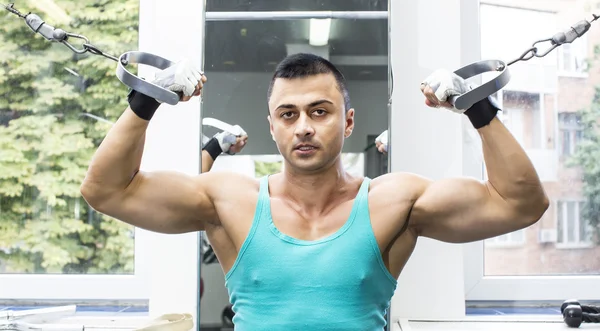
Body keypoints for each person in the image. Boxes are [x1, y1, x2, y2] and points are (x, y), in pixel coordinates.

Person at [80, 53, 549, 330]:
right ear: (272, 126)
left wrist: (478, 108)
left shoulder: (393, 200)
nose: (303, 127)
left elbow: (520, 203)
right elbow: (107, 191)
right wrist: (145, 101)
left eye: (320, 111)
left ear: (347, 122)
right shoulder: (229, 200)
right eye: (288, 115)